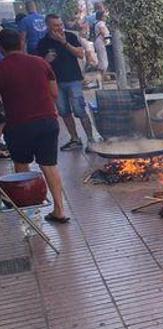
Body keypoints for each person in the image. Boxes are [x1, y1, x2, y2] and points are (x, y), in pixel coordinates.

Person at [0, 29, 68, 223]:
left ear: (1, 48)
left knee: (22, 167)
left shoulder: (2, 68)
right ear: (21, 43)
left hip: (18, 125)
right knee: (49, 165)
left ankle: (29, 215)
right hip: (47, 122)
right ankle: (59, 209)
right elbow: (54, 93)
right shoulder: (41, 62)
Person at [37, 14, 95, 151]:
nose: (59, 28)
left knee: (80, 109)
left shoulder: (70, 37)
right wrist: (46, 60)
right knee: (64, 112)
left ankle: (91, 140)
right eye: (56, 26)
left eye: (61, 25)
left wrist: (64, 43)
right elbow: (39, 65)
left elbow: (80, 54)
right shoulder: (43, 42)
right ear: (48, 26)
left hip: (73, 79)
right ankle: (75, 139)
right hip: (55, 82)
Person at [93, 11, 109, 88]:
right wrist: (106, 39)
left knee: (102, 63)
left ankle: (100, 82)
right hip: (101, 42)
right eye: (104, 16)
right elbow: (103, 32)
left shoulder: (98, 23)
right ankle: (100, 82)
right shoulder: (101, 23)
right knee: (104, 64)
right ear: (101, 17)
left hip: (99, 42)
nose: (106, 17)